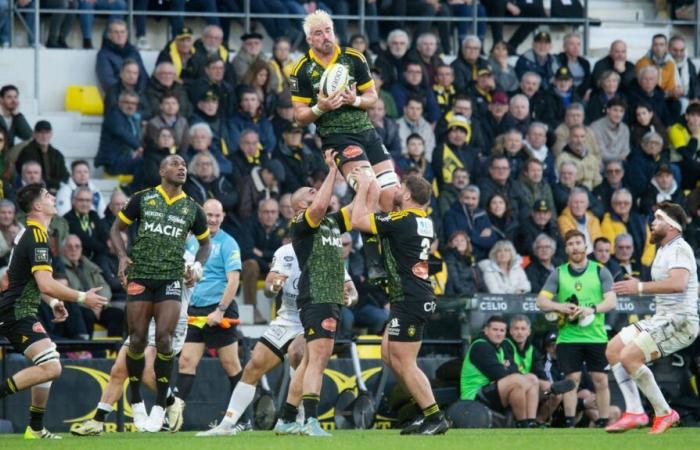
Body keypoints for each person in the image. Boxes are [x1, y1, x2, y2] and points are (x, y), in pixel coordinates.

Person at [110, 155, 211, 432]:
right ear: (161, 170)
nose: (182, 168)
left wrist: (198, 266)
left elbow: (205, 245)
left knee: (164, 338)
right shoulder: (141, 199)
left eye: (184, 165)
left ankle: (159, 405)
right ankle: (136, 401)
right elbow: (116, 229)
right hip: (140, 275)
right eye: (175, 164)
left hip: (170, 278)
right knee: (138, 339)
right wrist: (121, 257)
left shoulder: (193, 208)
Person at [0, 184, 107, 439]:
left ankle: (35, 428)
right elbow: (46, 283)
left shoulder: (31, 234)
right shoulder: (36, 237)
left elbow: (20, 280)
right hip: (16, 312)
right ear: (37, 206)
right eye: (47, 196)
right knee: (52, 366)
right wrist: (82, 297)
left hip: (20, 309)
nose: (52, 199)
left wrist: (51, 302)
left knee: (48, 361)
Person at [352, 172, 450, 435]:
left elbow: (357, 220)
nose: (395, 188)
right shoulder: (421, 219)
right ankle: (421, 410)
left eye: (400, 186)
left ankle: (434, 416)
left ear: (407, 195)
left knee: (404, 362)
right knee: (388, 354)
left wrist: (363, 188)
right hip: (410, 296)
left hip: (410, 298)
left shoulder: (403, 219)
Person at [71, 250, 195, 436]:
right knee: (118, 370)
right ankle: (97, 422)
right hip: (145, 317)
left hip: (170, 319)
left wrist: (189, 271)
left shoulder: (186, 255)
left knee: (146, 371)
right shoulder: (147, 247)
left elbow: (194, 274)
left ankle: (169, 402)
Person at [290, 10, 398, 212]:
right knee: (369, 188)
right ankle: (367, 239)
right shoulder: (301, 69)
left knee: (391, 195)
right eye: (319, 33)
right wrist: (319, 108)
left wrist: (355, 99)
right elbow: (299, 116)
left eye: (328, 30)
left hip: (367, 132)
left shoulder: (354, 57)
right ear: (309, 39)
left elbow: (372, 97)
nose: (326, 36)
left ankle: (388, 241)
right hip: (338, 137)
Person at [606, 202, 698, 434]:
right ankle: (635, 411)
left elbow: (678, 284)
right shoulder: (664, 250)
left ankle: (664, 413)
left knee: (629, 356)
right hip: (663, 318)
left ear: (672, 225)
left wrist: (639, 288)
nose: (652, 223)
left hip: (680, 321)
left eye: (658, 219)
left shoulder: (680, 248)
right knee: (614, 349)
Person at [536, 229, 618, 428]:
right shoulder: (559, 272)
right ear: (566, 249)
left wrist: (592, 309)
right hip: (568, 336)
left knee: (600, 380)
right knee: (571, 380)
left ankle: (603, 421)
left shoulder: (600, 270)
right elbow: (540, 301)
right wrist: (560, 306)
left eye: (578, 243)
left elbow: (612, 301)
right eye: (571, 244)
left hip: (596, 337)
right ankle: (570, 423)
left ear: (586, 246)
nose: (575, 247)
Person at [174, 199, 244, 422]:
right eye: (209, 215)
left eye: (217, 215)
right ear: (201, 216)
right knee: (185, 362)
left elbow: (234, 281)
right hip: (194, 310)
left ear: (223, 217)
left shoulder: (229, 243)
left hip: (219, 310)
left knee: (231, 365)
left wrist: (221, 310)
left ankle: (243, 420)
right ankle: (173, 417)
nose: (212, 220)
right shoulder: (192, 242)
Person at [460, 316, 539, 428]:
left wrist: (506, 368)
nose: (499, 333)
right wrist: (506, 368)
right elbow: (498, 374)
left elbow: (513, 369)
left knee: (531, 379)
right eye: (495, 330)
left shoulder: (501, 348)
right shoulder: (480, 346)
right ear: (486, 331)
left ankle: (529, 423)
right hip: (474, 397)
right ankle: (524, 423)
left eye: (502, 330)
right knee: (516, 380)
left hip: (493, 391)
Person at [60, 234, 121, 338]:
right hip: (80, 307)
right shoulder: (60, 268)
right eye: (69, 246)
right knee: (88, 315)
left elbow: (104, 286)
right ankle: (89, 350)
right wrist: (90, 304)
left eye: (77, 246)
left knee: (117, 314)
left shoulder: (89, 266)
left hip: (98, 306)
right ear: (63, 249)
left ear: (81, 249)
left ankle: (113, 350)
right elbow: (67, 292)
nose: (73, 249)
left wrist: (99, 304)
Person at [15, 121, 69, 194]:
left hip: (56, 190)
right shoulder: (26, 152)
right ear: (34, 134)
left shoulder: (57, 154)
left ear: (51, 134)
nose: (44, 136)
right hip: (32, 191)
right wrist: (49, 185)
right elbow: (27, 176)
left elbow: (64, 175)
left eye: (47, 132)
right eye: (41, 132)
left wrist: (55, 186)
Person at [95, 20, 148, 92]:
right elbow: (107, 80)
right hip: (116, 97)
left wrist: (139, 93)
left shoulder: (134, 52)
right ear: (109, 35)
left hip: (138, 95)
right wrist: (127, 93)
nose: (120, 35)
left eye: (122, 32)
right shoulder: (103, 55)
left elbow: (143, 76)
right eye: (116, 32)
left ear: (127, 34)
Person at [63, 187, 107, 260]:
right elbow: (84, 239)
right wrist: (104, 248)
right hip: (77, 259)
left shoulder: (94, 215)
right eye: (81, 200)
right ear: (73, 201)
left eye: (88, 200)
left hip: (96, 257)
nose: (85, 204)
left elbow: (103, 235)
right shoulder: (68, 218)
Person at [444, 230, 484, 297]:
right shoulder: (449, 258)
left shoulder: (471, 259)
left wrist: (487, 296)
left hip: (474, 296)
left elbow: (481, 282)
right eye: (456, 240)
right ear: (451, 243)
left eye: (462, 240)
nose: (459, 243)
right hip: (458, 298)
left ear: (467, 243)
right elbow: (456, 284)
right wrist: (473, 296)